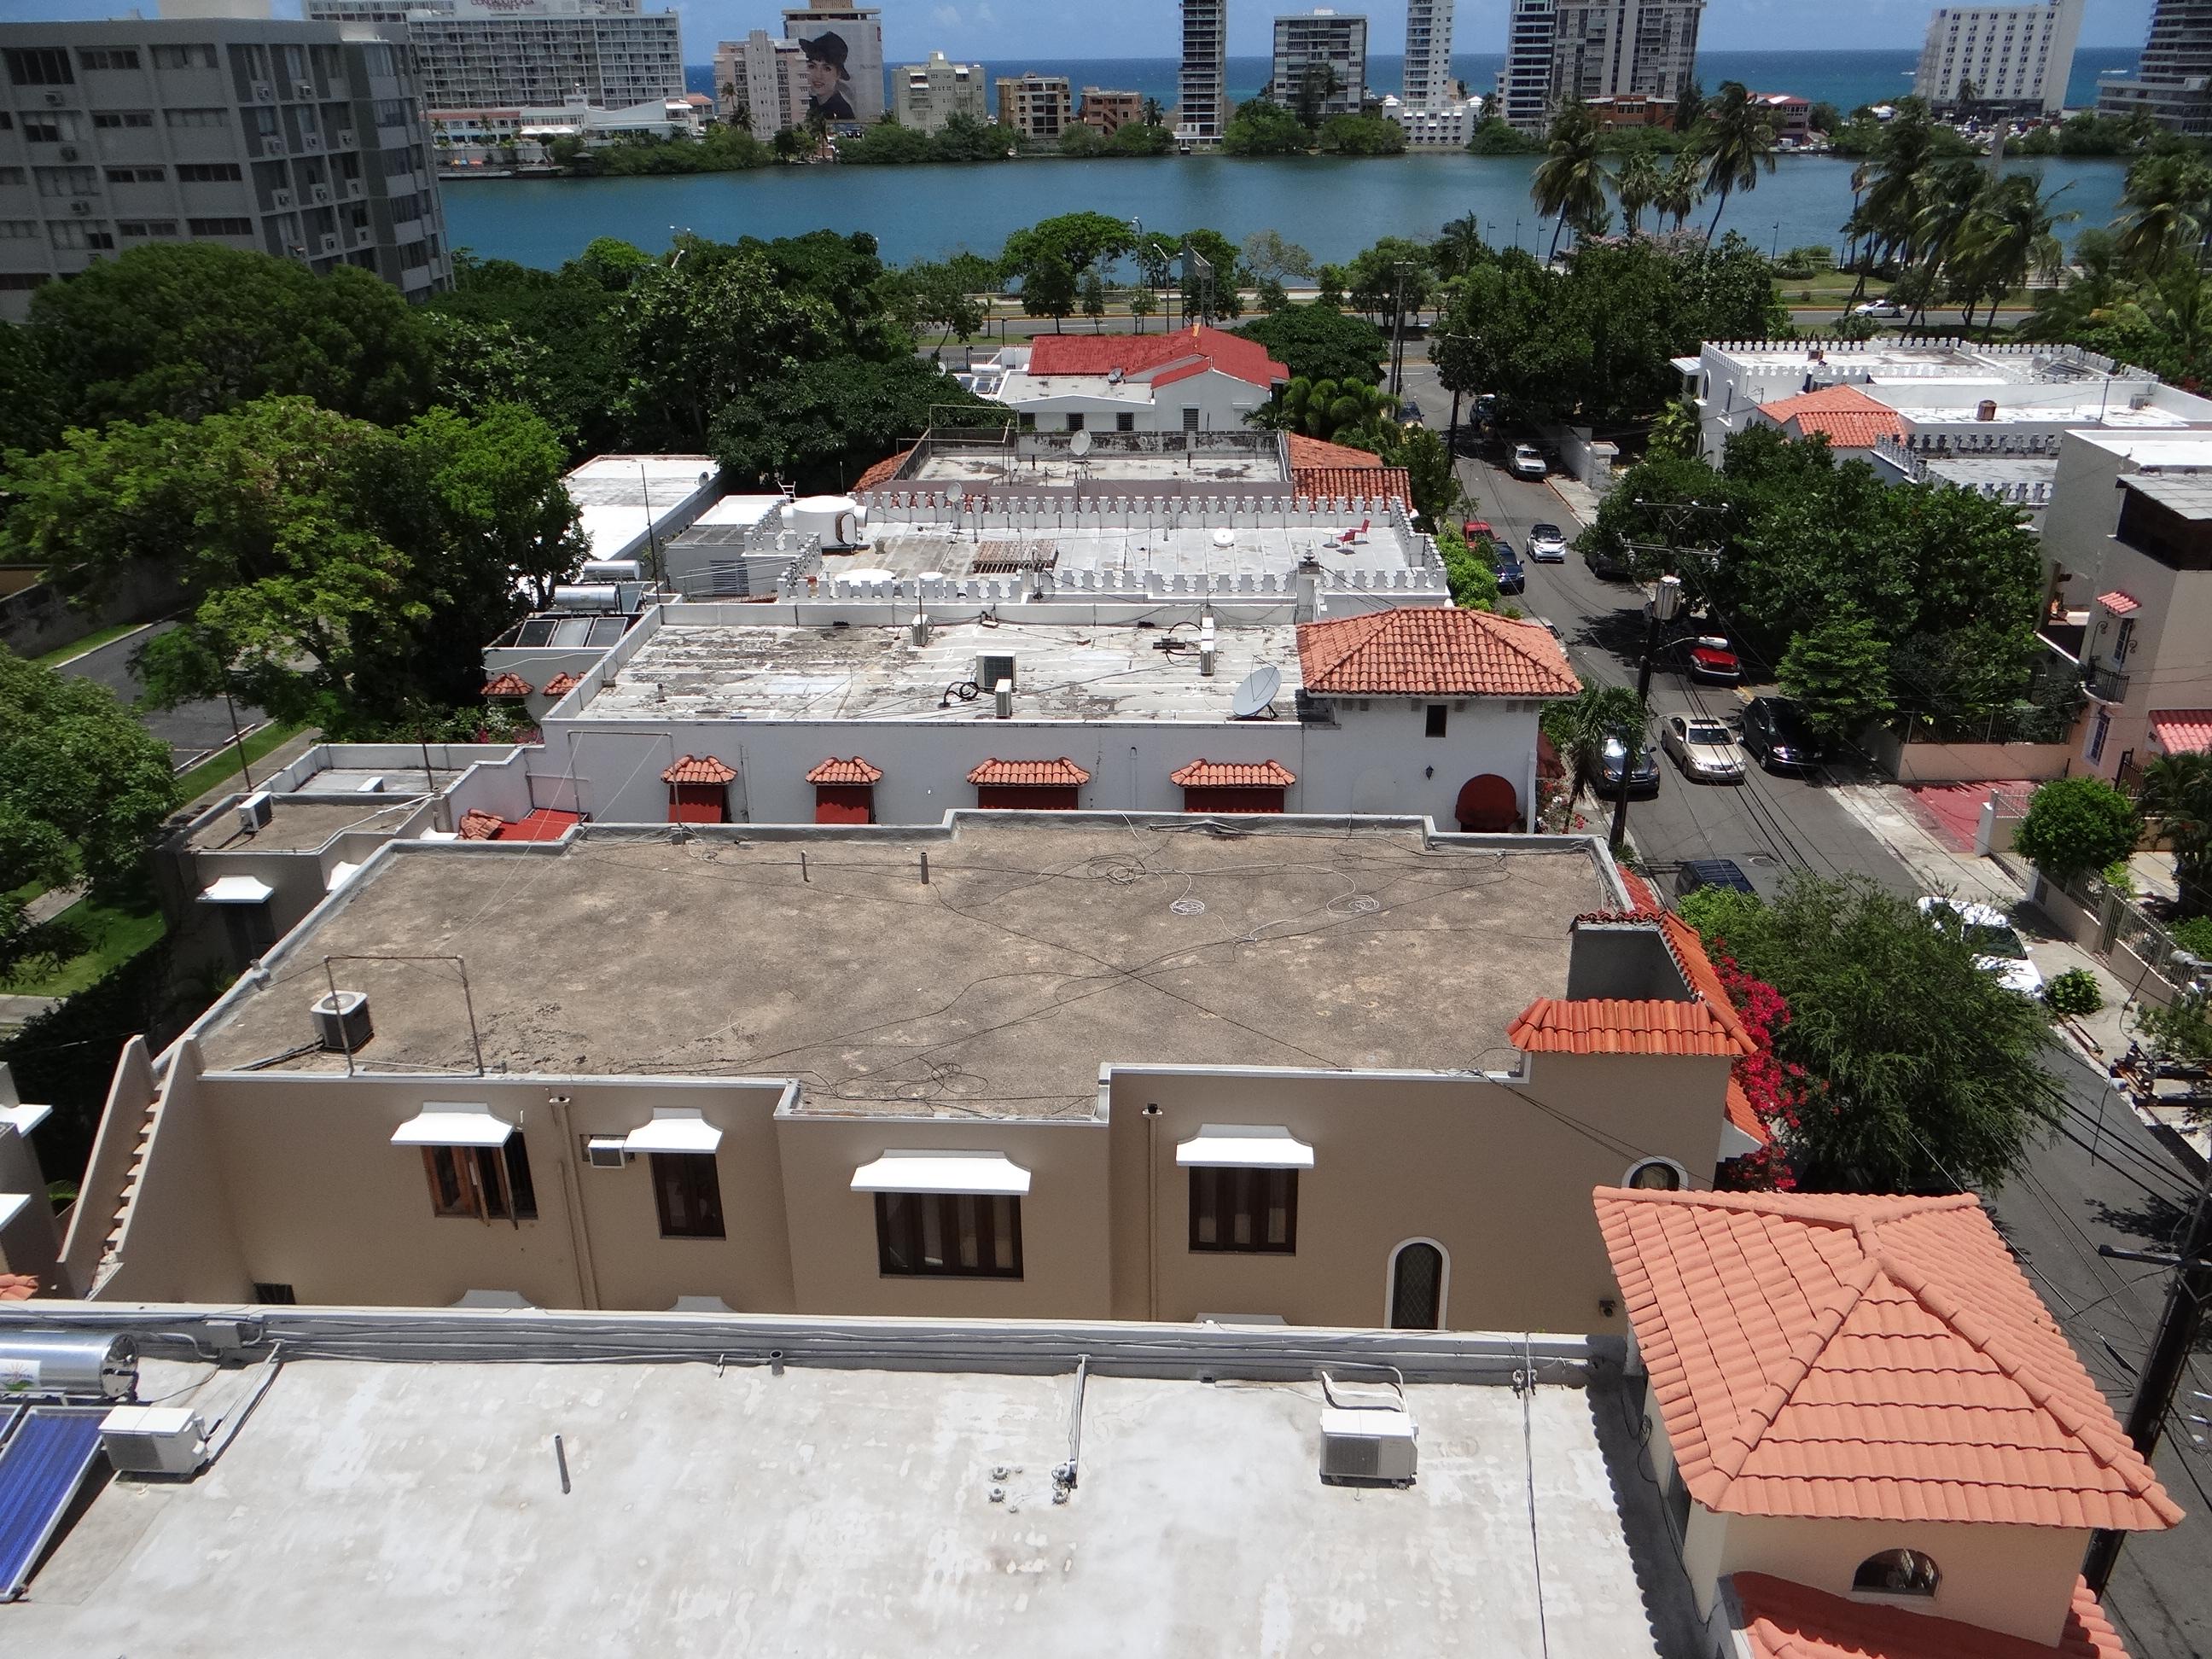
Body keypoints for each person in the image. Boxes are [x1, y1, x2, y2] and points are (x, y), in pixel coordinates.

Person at [800, 31, 856, 123]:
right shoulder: (811, 103)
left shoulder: (842, 111)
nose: (818, 75)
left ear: (838, 74)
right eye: (812, 66)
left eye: (827, 68)